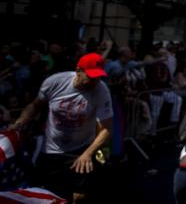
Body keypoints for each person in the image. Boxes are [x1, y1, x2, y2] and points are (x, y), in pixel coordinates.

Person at [11, 53, 113, 202]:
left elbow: (106, 128)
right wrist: (19, 124)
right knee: (49, 194)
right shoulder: (55, 82)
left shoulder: (101, 91)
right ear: (78, 70)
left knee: (80, 195)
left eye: (98, 77)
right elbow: (35, 106)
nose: (94, 81)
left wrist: (88, 153)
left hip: (80, 150)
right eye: (91, 76)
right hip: (51, 149)